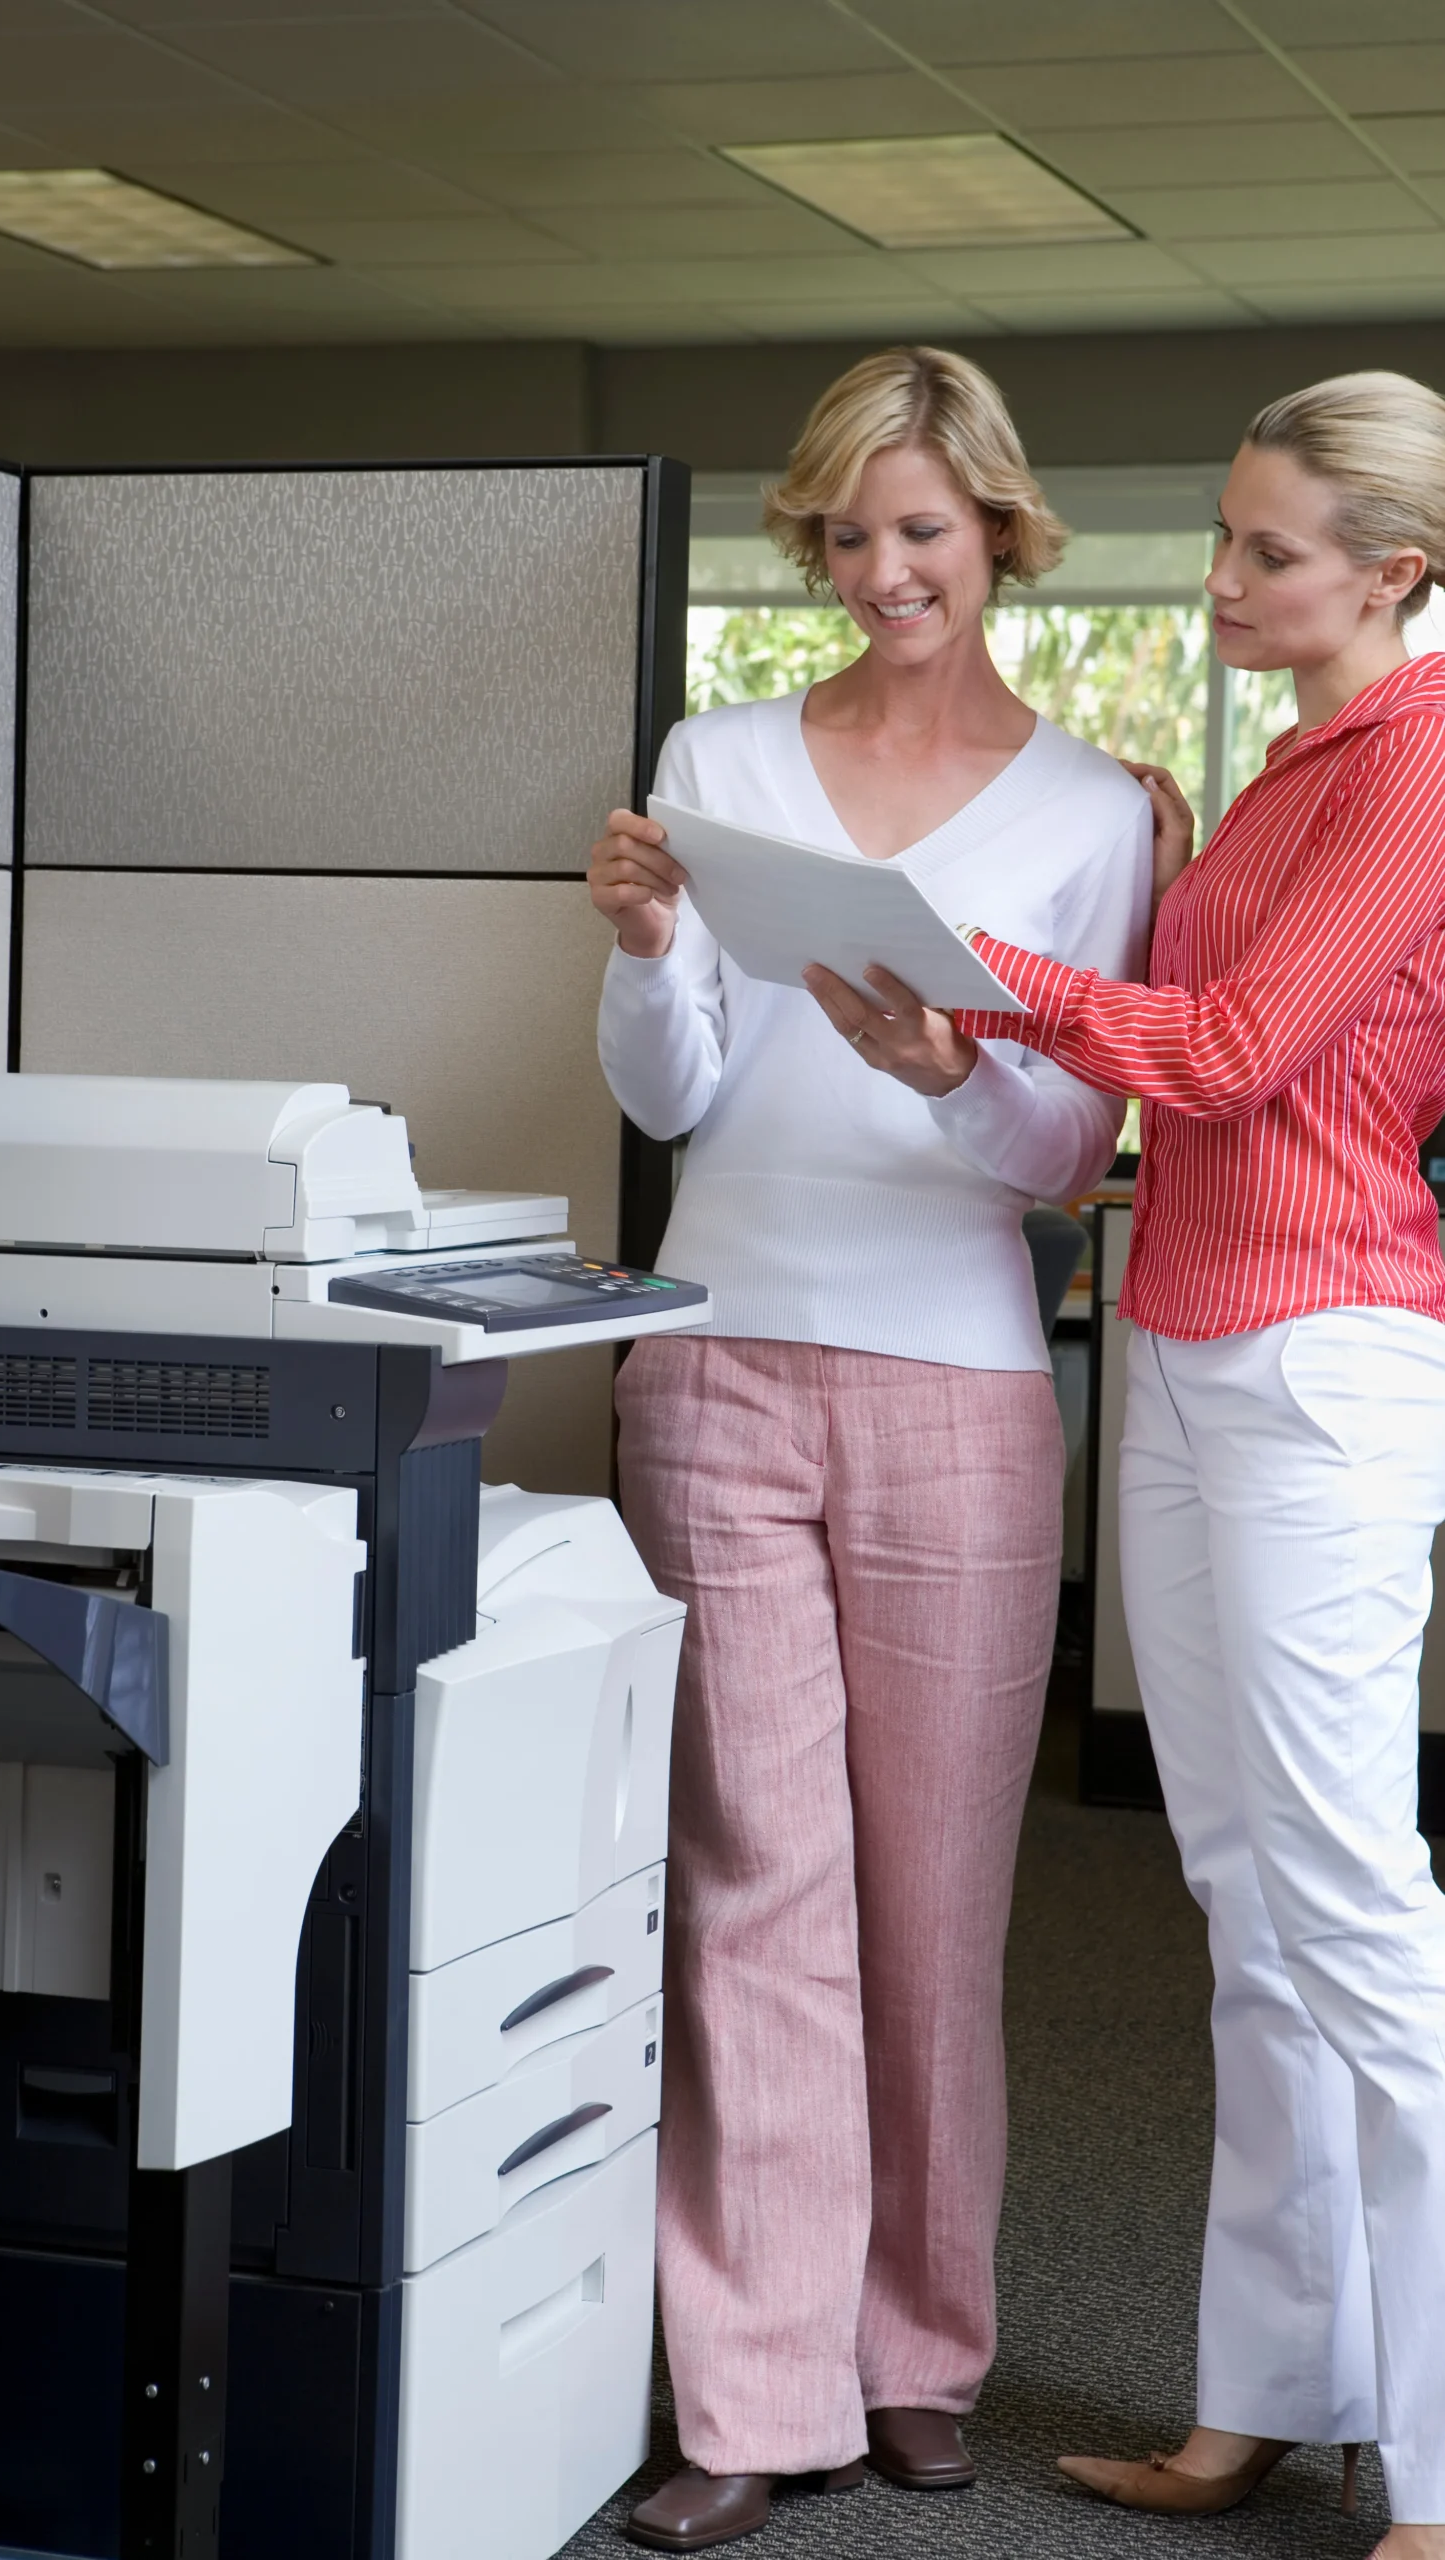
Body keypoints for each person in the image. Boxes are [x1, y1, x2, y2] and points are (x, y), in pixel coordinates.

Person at [806, 370, 1445, 2560]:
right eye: (1230, 536)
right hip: (1175, 1344)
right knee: (1244, 1908)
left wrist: (973, 971)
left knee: (1357, 1908)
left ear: (1395, 569)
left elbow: (1244, 1055)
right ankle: (1267, 2396)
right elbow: (1195, 1029)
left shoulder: (1422, 763)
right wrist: (1149, 887)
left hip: (1323, 1362)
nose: (1232, 576)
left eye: (1273, 550)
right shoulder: (1280, 779)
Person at [588, 344, 1153, 2553]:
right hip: (715, 1357)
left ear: (998, 531)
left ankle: (916, 2348)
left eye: (920, 526)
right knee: (753, 1885)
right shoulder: (722, 755)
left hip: (957, 1385)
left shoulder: (1097, 811)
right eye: (844, 532)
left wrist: (941, 1062)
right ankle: (751, 2382)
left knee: (934, 1891)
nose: (882, 567)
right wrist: (650, 949)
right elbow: (666, 1093)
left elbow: (1057, 1150)